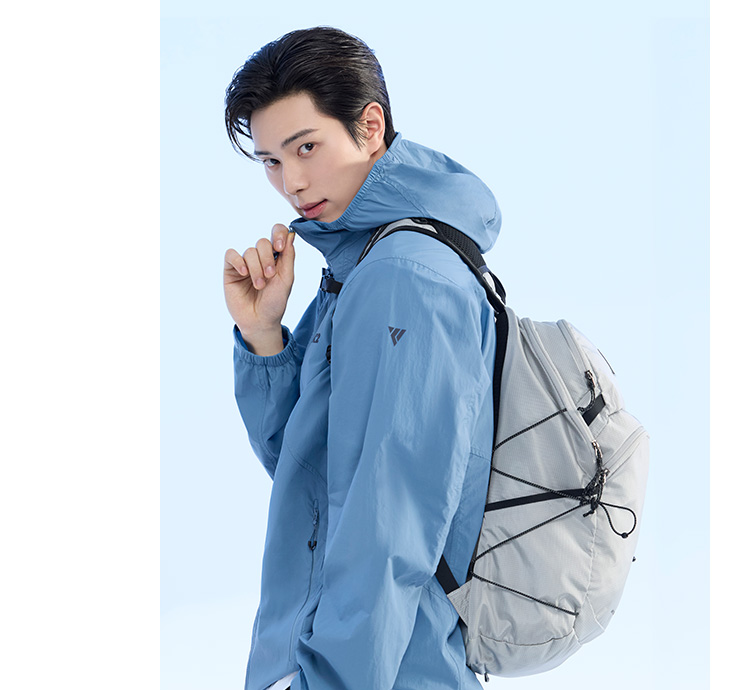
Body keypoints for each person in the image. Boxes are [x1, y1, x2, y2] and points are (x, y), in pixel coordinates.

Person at [223, 26, 501, 690]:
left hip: (387, 670)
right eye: (270, 161)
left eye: (306, 147)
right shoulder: (363, 264)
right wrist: (264, 336)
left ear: (370, 127)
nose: (291, 182)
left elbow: (391, 524)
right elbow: (312, 478)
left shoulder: (406, 275)